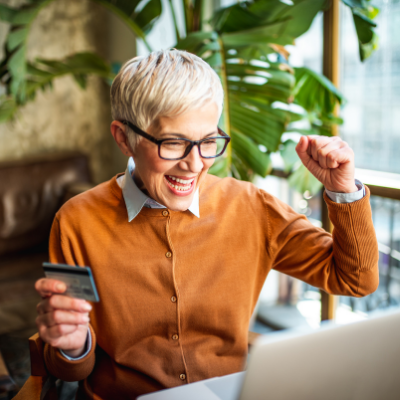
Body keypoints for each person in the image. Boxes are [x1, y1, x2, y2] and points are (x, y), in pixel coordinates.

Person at [34, 50, 379, 399]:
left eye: (208, 142)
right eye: (173, 143)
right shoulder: (76, 221)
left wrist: (342, 191)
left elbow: (355, 279)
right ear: (124, 138)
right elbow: (68, 369)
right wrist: (73, 346)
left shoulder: (251, 206)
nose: (194, 164)